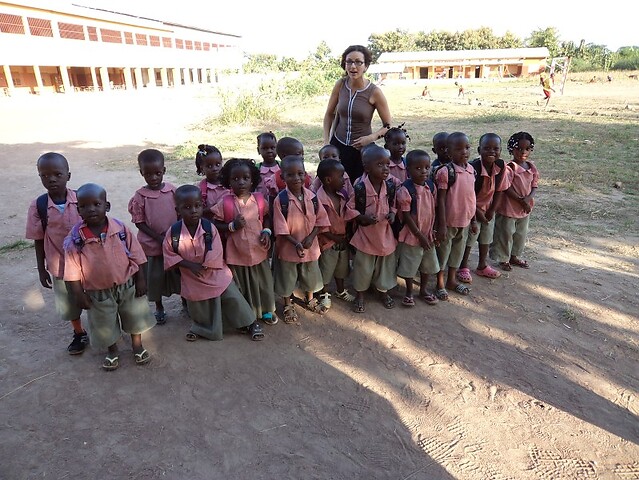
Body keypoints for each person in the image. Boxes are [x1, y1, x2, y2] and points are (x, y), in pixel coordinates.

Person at [63, 183, 155, 371]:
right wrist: (78, 294)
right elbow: (72, 270)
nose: (91, 209)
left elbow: (137, 255)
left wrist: (141, 279)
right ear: (78, 210)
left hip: (127, 284)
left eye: (96, 204)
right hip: (98, 291)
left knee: (134, 316)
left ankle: (137, 345)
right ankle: (112, 350)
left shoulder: (120, 229)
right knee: (104, 322)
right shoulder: (76, 239)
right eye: (84, 206)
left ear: (107, 206)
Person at [163, 185, 264, 341]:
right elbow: (169, 254)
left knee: (232, 296)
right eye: (187, 208)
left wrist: (206, 266)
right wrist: (190, 266)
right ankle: (201, 328)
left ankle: (249, 322)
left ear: (202, 206)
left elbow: (216, 251)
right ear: (178, 210)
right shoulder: (174, 232)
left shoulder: (209, 228)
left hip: (214, 272)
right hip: (192, 276)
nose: (193, 211)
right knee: (198, 304)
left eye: (197, 206)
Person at [25, 152, 87, 355]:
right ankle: (79, 332)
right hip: (60, 265)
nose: (51, 179)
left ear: (68, 175)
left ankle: (104, 330)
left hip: (88, 262)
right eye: (44, 175)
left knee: (97, 296)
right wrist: (41, 269)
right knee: (68, 302)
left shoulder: (82, 199)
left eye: (57, 174)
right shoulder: (39, 205)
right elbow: (38, 238)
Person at [212, 158, 277, 326]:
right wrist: (232, 226)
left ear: (252, 180)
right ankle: (248, 313)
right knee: (243, 284)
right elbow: (215, 223)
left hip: (259, 251)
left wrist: (267, 231)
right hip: (237, 253)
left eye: (245, 178)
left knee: (263, 282)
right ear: (228, 181)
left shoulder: (259, 200)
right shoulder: (225, 203)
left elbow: (267, 217)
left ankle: (266, 309)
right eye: (235, 179)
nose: (241, 182)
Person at [272, 155, 331, 323]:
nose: (296, 178)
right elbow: (281, 228)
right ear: (282, 177)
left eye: (300, 173)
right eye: (290, 175)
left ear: (305, 174)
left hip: (309, 247)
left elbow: (321, 220)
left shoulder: (312, 197)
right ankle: (288, 304)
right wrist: (296, 243)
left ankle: (310, 298)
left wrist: (311, 238)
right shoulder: (281, 201)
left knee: (310, 274)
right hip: (288, 248)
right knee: (287, 277)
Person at [323, 45, 392, 184]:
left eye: (358, 62)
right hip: (338, 145)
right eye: (349, 62)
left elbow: (388, 126)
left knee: (358, 186)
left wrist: (371, 138)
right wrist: (326, 143)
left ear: (366, 66)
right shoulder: (340, 85)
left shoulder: (374, 92)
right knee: (336, 185)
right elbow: (329, 114)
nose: (353, 66)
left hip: (363, 151)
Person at [128, 148, 180, 325]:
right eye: (148, 174)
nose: (153, 178)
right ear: (141, 173)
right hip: (152, 246)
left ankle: (186, 301)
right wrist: (158, 238)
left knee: (179, 274)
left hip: (174, 244)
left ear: (164, 170)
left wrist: (175, 234)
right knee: (155, 277)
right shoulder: (140, 197)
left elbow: (180, 213)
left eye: (157, 173)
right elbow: (139, 222)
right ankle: (159, 307)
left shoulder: (172, 191)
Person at [348, 145, 398, 313]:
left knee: (385, 265)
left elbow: (394, 204)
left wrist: (392, 214)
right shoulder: (360, 188)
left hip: (384, 234)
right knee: (363, 267)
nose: (385, 168)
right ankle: (360, 295)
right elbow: (350, 209)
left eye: (387, 164)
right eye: (380, 164)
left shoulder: (390, 186)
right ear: (367, 167)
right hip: (366, 236)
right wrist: (362, 218)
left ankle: (382, 291)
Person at [457, 134, 507, 283]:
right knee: (470, 238)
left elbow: (499, 190)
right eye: (487, 148)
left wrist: (492, 210)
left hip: (488, 210)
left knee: (486, 237)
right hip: (472, 211)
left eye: (496, 149)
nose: (492, 151)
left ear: (501, 151)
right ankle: (463, 266)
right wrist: (477, 213)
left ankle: (482, 265)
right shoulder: (474, 168)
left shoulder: (500, 167)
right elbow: (469, 195)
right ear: (479, 150)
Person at [434, 132, 477, 300]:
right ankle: (440, 283)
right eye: (458, 149)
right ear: (449, 152)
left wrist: (473, 220)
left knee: (457, 253)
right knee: (443, 253)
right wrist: (441, 225)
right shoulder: (446, 172)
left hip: (465, 221)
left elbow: (472, 197)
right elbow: (441, 200)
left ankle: (451, 280)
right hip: (449, 222)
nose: (464, 152)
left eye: (467, 147)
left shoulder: (471, 170)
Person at [396, 149, 440, 306]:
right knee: (410, 264)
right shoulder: (405, 190)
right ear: (408, 170)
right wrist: (419, 235)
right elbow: (406, 216)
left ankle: (423, 290)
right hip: (412, 235)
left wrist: (433, 231)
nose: (424, 171)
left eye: (427, 167)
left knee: (427, 264)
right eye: (418, 168)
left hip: (428, 234)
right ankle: (409, 291)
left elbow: (434, 210)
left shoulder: (431, 186)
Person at [491, 132, 539, 271]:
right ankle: (503, 258)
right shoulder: (510, 168)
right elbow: (506, 187)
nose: (523, 152)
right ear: (511, 149)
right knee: (505, 233)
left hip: (524, 209)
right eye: (519, 148)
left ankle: (514, 256)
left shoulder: (531, 167)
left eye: (527, 149)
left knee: (520, 234)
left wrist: (528, 199)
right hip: (509, 208)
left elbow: (534, 185)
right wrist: (521, 200)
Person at [315, 159, 359, 308]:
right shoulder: (319, 200)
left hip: (342, 239)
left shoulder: (342, 195)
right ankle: (324, 293)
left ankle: (340, 290)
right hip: (327, 242)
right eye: (341, 177)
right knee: (326, 269)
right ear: (328, 180)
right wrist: (334, 237)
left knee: (342, 268)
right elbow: (319, 225)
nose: (344, 179)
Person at [195, 144, 229, 220]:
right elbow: (196, 211)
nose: (215, 169)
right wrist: (213, 208)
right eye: (209, 166)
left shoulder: (230, 184)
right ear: (202, 168)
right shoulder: (199, 189)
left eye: (218, 164)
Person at [255, 131, 280, 205]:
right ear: (258, 150)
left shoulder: (282, 166)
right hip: (260, 206)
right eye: (265, 148)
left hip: (280, 205)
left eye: (272, 148)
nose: (269, 151)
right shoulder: (256, 169)